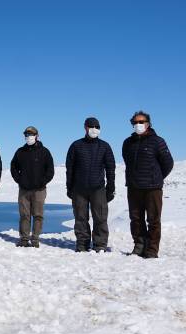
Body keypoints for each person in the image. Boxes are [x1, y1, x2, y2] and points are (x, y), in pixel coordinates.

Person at [122, 111, 174, 258]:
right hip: (134, 187)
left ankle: (151, 250)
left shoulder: (158, 141)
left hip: (153, 188)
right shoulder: (128, 143)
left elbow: (168, 163)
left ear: (148, 123)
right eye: (136, 122)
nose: (138, 125)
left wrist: (155, 177)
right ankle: (139, 245)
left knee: (153, 220)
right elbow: (127, 161)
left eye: (141, 122)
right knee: (136, 219)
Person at [66, 117, 116, 252]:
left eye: (97, 127)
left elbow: (110, 168)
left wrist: (110, 188)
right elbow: (69, 168)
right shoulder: (76, 145)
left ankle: (100, 244)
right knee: (80, 218)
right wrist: (69, 187)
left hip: (98, 188)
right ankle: (82, 244)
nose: (95, 129)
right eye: (92, 126)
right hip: (79, 189)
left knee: (100, 217)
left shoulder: (104, 146)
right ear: (85, 128)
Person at [10, 126, 54, 248]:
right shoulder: (20, 152)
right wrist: (19, 180)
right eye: (26, 135)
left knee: (38, 215)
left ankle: (35, 238)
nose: (29, 137)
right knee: (24, 215)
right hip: (24, 190)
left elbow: (50, 170)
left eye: (31, 134)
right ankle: (24, 239)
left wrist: (42, 182)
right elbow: (13, 167)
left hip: (39, 190)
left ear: (37, 136)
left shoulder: (44, 152)